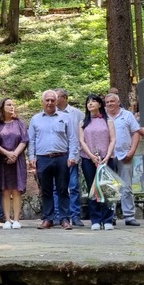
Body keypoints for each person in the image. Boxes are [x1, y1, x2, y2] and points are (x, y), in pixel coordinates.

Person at [28, 90, 79, 230]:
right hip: (43, 159)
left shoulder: (65, 117)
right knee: (46, 190)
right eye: (47, 100)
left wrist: (72, 156)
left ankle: (64, 219)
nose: (49, 103)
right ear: (42, 102)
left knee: (63, 189)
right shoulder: (35, 119)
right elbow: (31, 140)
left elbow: (73, 138)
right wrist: (31, 157)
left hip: (62, 157)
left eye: (52, 100)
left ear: (56, 101)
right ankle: (48, 218)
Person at [78, 94, 116, 230]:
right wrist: (91, 156)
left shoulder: (108, 121)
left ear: (100, 104)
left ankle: (108, 219)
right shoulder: (83, 123)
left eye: (93, 101)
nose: (90, 104)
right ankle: (95, 219)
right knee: (92, 188)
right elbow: (82, 141)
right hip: (89, 159)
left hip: (107, 159)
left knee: (107, 188)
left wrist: (107, 155)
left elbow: (112, 139)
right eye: (88, 102)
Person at [105, 93, 142, 226]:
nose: (110, 104)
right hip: (107, 156)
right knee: (110, 187)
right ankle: (111, 215)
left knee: (126, 187)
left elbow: (136, 132)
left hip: (124, 155)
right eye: (107, 102)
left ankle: (129, 216)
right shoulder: (102, 116)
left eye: (112, 101)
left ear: (118, 102)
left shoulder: (127, 115)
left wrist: (132, 151)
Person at [0, 98, 28, 229]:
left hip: (18, 159)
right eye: (9, 105)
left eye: (13, 105)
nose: (12, 107)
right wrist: (7, 154)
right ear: (2, 107)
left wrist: (14, 154)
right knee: (5, 190)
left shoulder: (19, 122)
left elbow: (24, 140)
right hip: (3, 161)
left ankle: (16, 219)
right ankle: (7, 219)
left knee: (16, 190)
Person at [55, 89, 86, 227]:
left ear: (65, 98)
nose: (54, 100)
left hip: (73, 154)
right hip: (57, 155)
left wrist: (76, 153)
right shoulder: (51, 113)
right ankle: (58, 216)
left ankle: (75, 215)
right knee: (57, 187)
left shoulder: (77, 114)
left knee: (73, 186)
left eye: (57, 97)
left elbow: (83, 134)